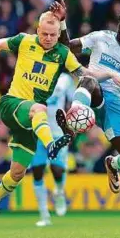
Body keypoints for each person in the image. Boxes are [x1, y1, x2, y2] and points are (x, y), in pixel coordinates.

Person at [0, 11, 120, 226]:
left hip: (31, 122)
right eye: (44, 34)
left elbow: (84, 74)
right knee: (39, 108)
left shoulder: (62, 53)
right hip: (12, 104)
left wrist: (111, 75)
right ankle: (51, 144)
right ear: (37, 30)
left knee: (17, 174)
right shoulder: (24, 41)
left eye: (53, 34)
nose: (49, 38)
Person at [50, 1, 120, 193]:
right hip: (91, 92)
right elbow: (66, 48)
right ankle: (71, 123)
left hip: (114, 101)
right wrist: (62, 22)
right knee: (89, 79)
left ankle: (113, 164)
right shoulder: (101, 37)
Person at [31, 73, 75, 227]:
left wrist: (69, 124)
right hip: (37, 130)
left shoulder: (65, 79)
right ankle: (44, 215)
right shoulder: (34, 76)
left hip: (57, 133)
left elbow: (72, 101)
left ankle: (60, 191)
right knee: (37, 171)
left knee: (56, 170)